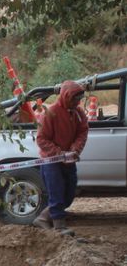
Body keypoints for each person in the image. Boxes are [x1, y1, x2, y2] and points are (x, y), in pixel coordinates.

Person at [33, 81, 88, 236]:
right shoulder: (51, 113)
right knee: (56, 192)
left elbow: (82, 132)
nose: (77, 102)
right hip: (51, 161)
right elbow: (41, 139)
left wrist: (74, 149)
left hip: (69, 160)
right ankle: (59, 226)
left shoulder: (78, 113)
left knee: (69, 194)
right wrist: (59, 154)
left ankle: (43, 218)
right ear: (65, 96)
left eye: (78, 100)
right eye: (74, 99)